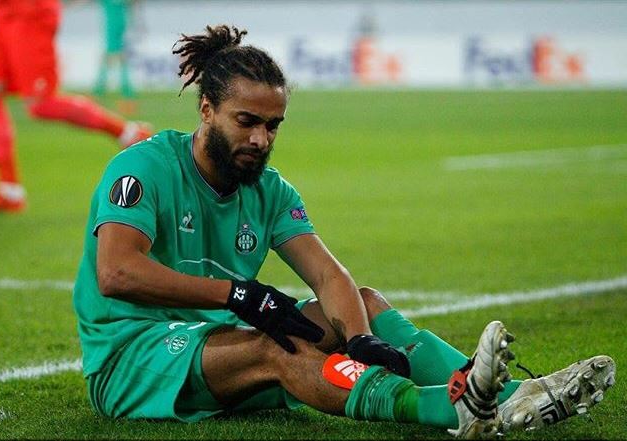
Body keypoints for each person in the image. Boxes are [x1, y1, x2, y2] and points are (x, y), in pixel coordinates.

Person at [72, 25, 615, 439]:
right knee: (275, 347)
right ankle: (450, 409)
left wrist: (360, 339)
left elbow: (329, 276)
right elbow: (117, 272)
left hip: (215, 342)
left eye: (273, 126)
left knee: (364, 304)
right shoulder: (144, 168)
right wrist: (237, 295)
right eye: (247, 122)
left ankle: (518, 396)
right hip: (133, 359)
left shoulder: (269, 189)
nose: (261, 139)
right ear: (207, 109)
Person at [0, 0, 152, 213]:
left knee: (40, 104)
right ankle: (9, 189)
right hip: (2, 11)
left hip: (29, 11)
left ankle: (126, 132)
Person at [93, 0, 137, 115]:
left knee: (111, 58)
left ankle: (100, 93)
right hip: (119, 24)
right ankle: (127, 96)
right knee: (116, 59)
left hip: (113, 25)